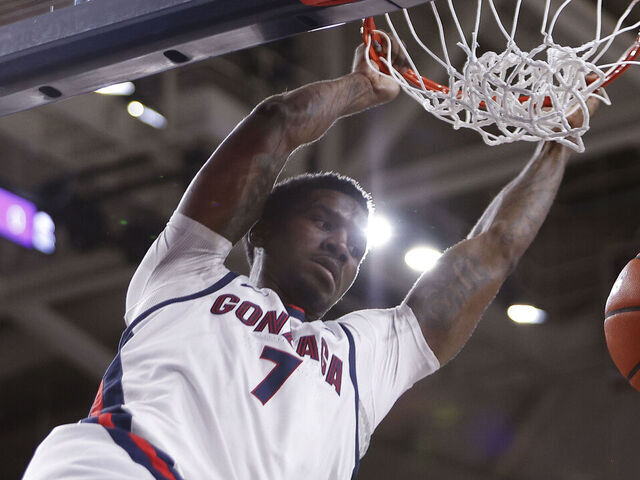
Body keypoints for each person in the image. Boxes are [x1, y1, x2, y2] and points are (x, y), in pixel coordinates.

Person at [23, 38, 598, 480]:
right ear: (262, 228)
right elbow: (275, 124)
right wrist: (360, 86)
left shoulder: (366, 356)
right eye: (325, 222)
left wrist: (558, 144)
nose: (342, 245)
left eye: (355, 245)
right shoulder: (186, 274)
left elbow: (493, 250)